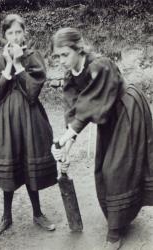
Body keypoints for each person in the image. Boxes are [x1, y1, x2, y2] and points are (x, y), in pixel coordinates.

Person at [51, 27, 153, 250]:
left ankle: (115, 234)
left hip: (127, 110)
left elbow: (92, 105)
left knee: (116, 169)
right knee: (103, 168)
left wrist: (69, 135)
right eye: (57, 56)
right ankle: (121, 218)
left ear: (78, 49)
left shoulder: (100, 65)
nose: (61, 60)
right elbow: (74, 114)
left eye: (65, 54)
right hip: (107, 117)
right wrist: (64, 147)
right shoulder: (71, 77)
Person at [0, 14, 57, 236]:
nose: (15, 37)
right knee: (10, 164)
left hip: (30, 119)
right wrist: (7, 64)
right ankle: (6, 216)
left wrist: (18, 63)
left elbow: (33, 92)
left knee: (29, 163)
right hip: (5, 122)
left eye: (18, 32)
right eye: (10, 33)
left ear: (24, 32)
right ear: (3, 35)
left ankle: (38, 213)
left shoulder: (33, 57)